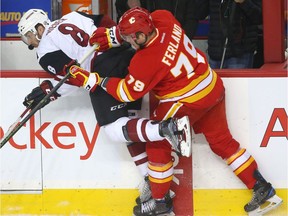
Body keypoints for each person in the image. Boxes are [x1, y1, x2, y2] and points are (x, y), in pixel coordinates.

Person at [69, 7, 283, 216]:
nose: (129, 42)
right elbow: (145, 19)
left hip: (187, 100)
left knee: (157, 140)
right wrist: (114, 34)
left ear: (142, 35)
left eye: (131, 38)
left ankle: (160, 201)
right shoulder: (164, 19)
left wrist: (94, 80)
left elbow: (127, 92)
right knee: (222, 143)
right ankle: (262, 188)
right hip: (211, 88)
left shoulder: (146, 60)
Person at [17, 8, 192, 203]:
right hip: (126, 55)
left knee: (114, 129)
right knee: (129, 124)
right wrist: (50, 90)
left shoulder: (43, 52)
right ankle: (150, 179)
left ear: (39, 28)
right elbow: (108, 23)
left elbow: (73, 75)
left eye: (29, 36)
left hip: (104, 73)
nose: (31, 44)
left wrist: (50, 91)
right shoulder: (73, 15)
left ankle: (168, 128)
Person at [195, 0, 262, 69]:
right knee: (214, 79)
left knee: (237, 80)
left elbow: (260, 17)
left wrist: (244, 2)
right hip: (215, 51)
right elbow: (199, 13)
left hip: (240, 52)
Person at [115, 0, 198, 40]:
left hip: (178, 43)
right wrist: (128, 4)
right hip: (148, 46)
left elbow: (192, 18)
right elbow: (122, 22)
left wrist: (183, 40)